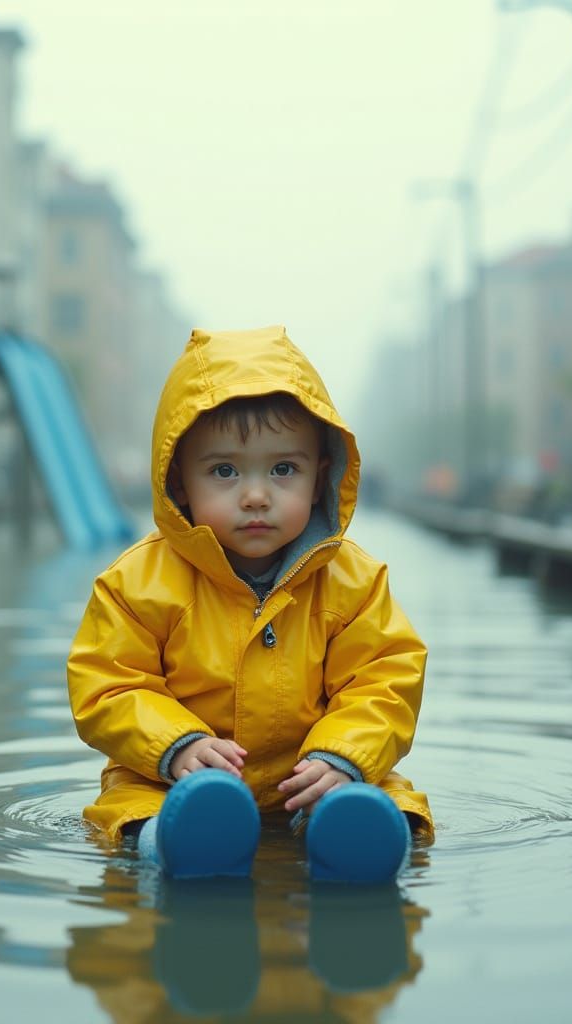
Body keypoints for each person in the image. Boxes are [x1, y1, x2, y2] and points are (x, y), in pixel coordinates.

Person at [67, 325, 431, 882]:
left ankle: (354, 833)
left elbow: (384, 680)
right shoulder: (136, 582)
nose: (256, 495)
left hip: (318, 779)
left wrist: (343, 756)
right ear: (180, 483)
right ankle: (176, 841)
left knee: (381, 803)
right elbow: (108, 684)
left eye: (283, 469)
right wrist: (176, 745)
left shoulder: (353, 580)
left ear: (319, 478)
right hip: (172, 780)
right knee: (138, 813)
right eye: (224, 471)